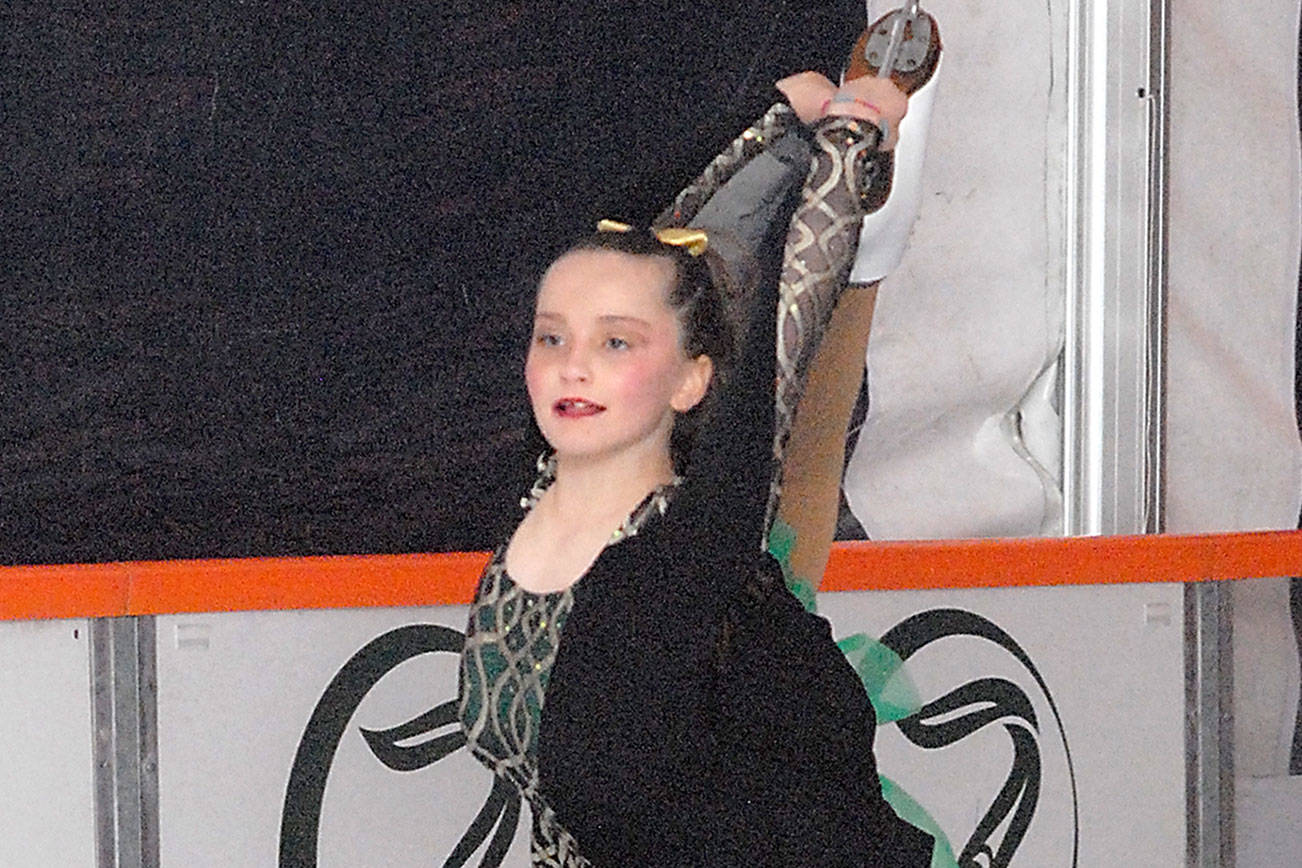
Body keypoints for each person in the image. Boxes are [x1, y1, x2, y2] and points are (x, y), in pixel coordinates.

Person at [457, 18, 941, 865]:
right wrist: (760, 122)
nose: (573, 369)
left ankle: (877, 215)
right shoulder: (529, 491)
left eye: (615, 345)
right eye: (551, 339)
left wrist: (844, 154)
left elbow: (781, 345)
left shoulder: (685, 543)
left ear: (692, 380)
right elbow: (617, 233)